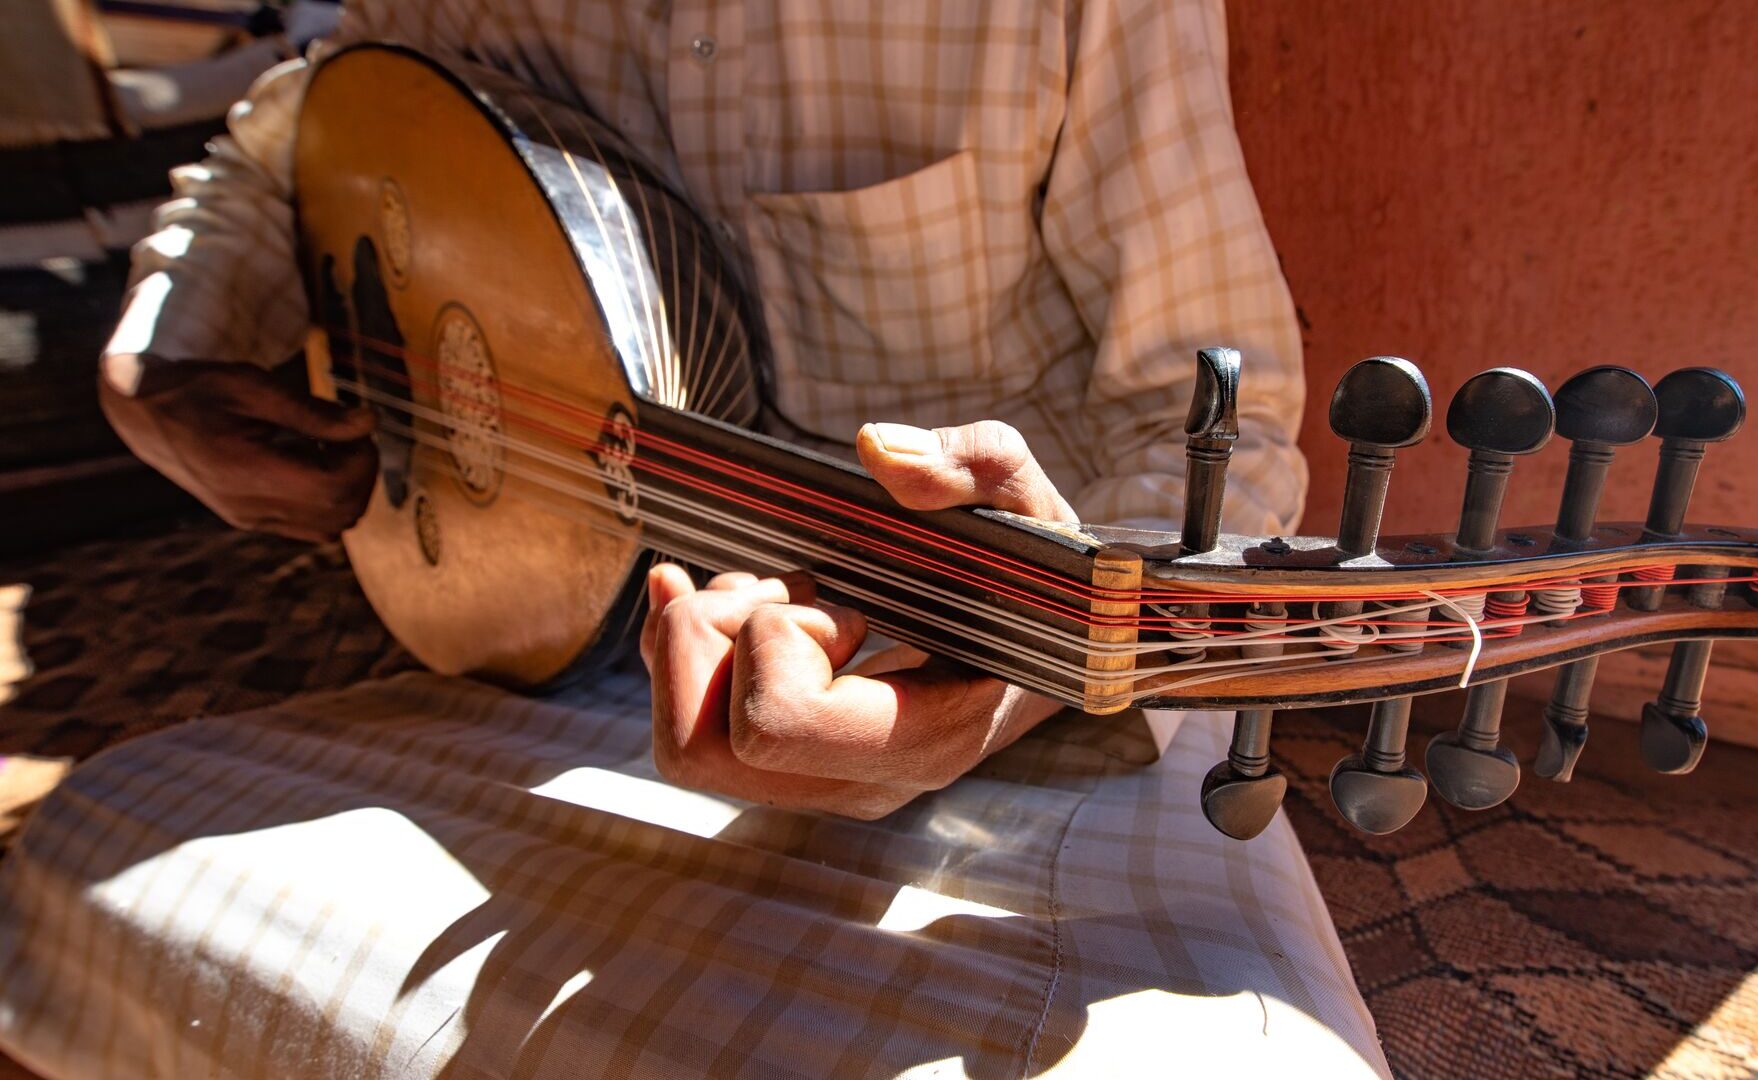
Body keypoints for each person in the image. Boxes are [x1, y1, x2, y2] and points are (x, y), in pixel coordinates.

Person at [1, 2, 1391, 1076]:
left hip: (1017, 694)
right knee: (71, 858)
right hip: (529, 665)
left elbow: (1219, 427)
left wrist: (1000, 681)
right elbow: (296, 124)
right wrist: (161, 362)